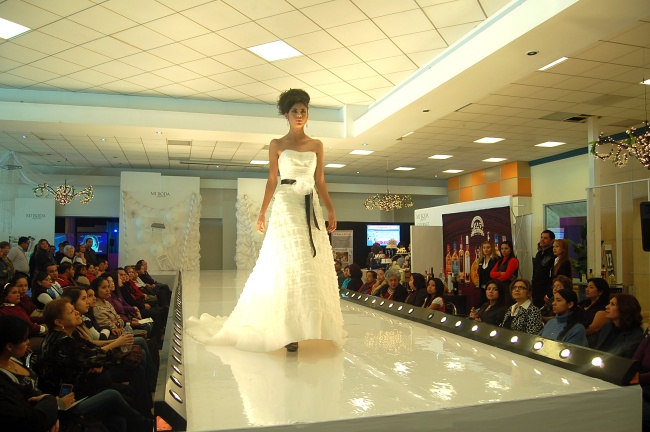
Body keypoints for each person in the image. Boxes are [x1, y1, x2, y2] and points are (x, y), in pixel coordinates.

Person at [186, 89, 344, 353]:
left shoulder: (317, 145)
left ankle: (311, 324)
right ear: (286, 115)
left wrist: (330, 209)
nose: (299, 115)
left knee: (309, 261)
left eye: (303, 111)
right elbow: (272, 179)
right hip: (286, 201)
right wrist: (261, 212)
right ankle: (287, 329)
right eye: (295, 111)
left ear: (307, 115)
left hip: (310, 203)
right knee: (289, 260)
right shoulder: (277, 144)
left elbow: (320, 180)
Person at [594, 294, 644, 358]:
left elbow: (625, 360)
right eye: (609, 303)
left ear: (624, 309)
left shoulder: (635, 336)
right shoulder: (607, 327)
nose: (606, 306)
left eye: (613, 304)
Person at [579, 277, 610, 348]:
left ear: (600, 292)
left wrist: (573, 332)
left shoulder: (603, 309)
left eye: (591, 287)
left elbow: (593, 329)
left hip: (590, 341)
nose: (587, 289)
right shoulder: (583, 303)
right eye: (587, 286)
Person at [531, 230, 555, 307]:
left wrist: (549, 293)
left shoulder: (553, 254)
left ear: (552, 241)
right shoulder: (538, 254)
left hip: (546, 289)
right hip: (536, 289)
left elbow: (553, 275)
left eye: (545, 238)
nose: (542, 240)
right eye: (541, 237)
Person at [477, 240, 499, 306]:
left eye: (488, 247)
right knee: (481, 306)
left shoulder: (496, 259)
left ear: (492, 248)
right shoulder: (481, 260)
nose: (486, 249)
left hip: (492, 289)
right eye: (484, 248)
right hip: (483, 288)